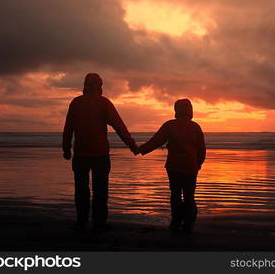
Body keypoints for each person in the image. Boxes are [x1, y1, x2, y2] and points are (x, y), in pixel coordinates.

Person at [62, 73, 138, 232]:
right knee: (100, 191)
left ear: (85, 85)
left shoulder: (76, 103)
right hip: (99, 155)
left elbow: (68, 128)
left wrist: (66, 148)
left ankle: (82, 221)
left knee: (81, 189)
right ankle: (99, 222)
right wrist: (132, 146)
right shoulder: (104, 103)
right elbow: (119, 126)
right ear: (100, 86)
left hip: (81, 154)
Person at [138, 99, 206, 233]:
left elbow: (156, 141)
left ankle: (176, 221)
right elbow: (202, 149)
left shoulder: (170, 125)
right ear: (190, 110)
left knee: (175, 194)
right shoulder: (195, 127)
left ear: (176, 110)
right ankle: (188, 223)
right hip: (190, 167)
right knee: (189, 195)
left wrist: (140, 149)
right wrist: (198, 164)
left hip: (174, 167)